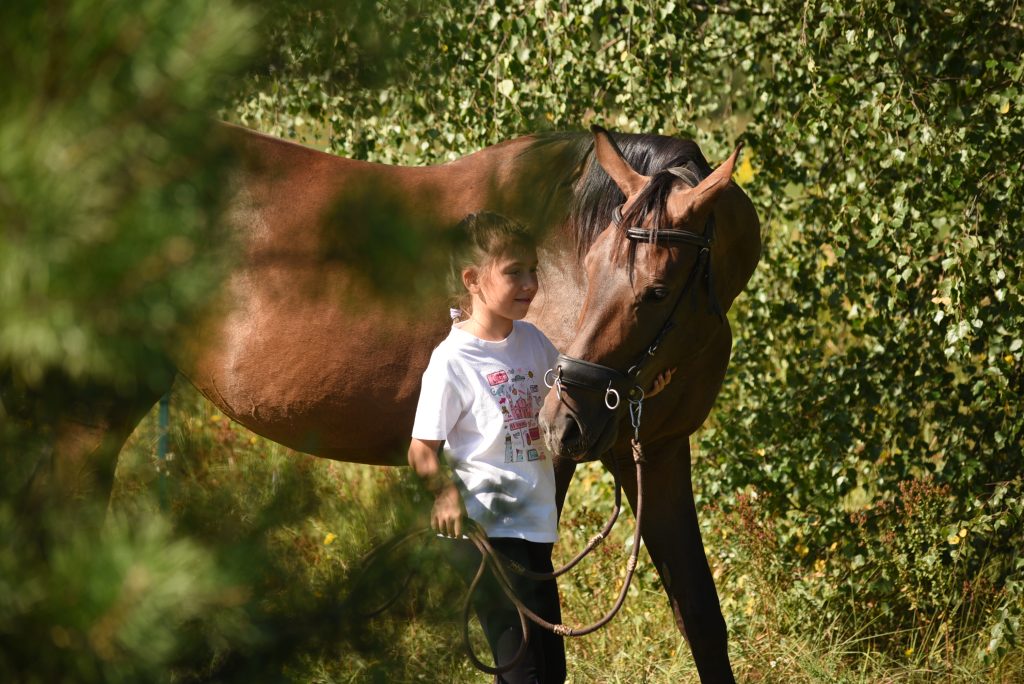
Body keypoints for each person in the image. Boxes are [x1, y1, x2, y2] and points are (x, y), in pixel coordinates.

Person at [408, 211, 673, 683]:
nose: (530, 283)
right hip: (485, 528)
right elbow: (422, 450)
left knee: (550, 673)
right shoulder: (451, 360)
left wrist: (638, 390)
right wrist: (445, 494)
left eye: (533, 269)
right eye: (514, 272)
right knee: (524, 672)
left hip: (533, 526)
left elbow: (570, 398)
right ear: (472, 279)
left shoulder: (532, 342)